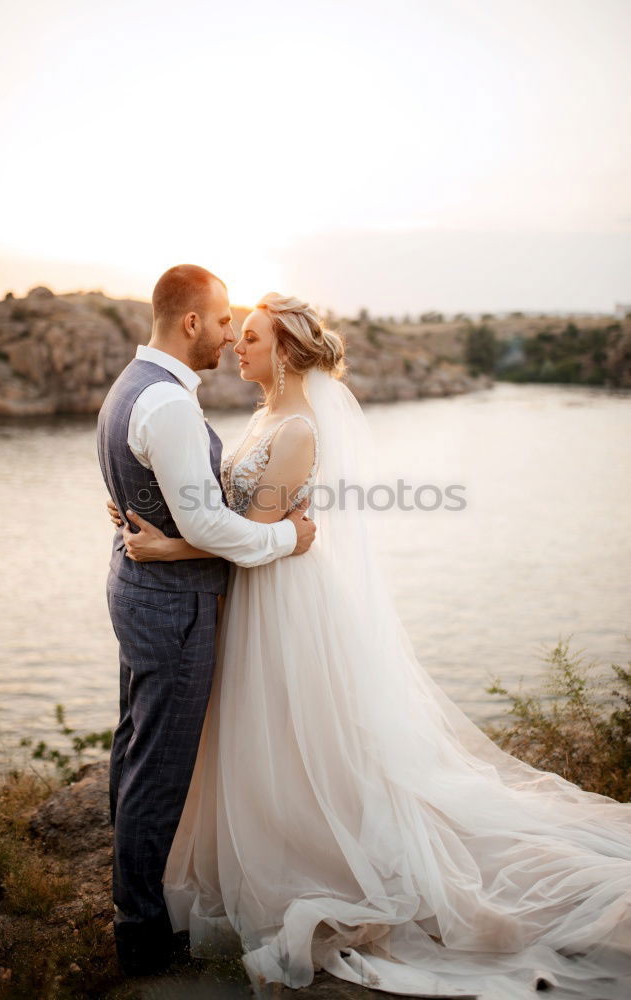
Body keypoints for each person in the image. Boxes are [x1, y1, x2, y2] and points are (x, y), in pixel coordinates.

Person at [106, 293, 631, 999]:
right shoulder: (264, 417)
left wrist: (170, 548)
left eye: (253, 336)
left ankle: (304, 854)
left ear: (285, 352)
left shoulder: (295, 432)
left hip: (280, 594)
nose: (239, 345)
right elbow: (222, 515)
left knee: (293, 736)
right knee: (260, 734)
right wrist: (168, 511)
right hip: (255, 588)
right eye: (238, 333)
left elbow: (254, 545)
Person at [96, 267, 316, 977]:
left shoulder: (134, 388)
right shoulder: (165, 405)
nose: (228, 336)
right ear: (190, 322)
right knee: (156, 768)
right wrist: (287, 539)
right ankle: (141, 934)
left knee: (136, 748)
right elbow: (210, 522)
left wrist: (158, 531)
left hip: (143, 589)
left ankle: (135, 905)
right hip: (172, 607)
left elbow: (174, 500)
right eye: (224, 322)